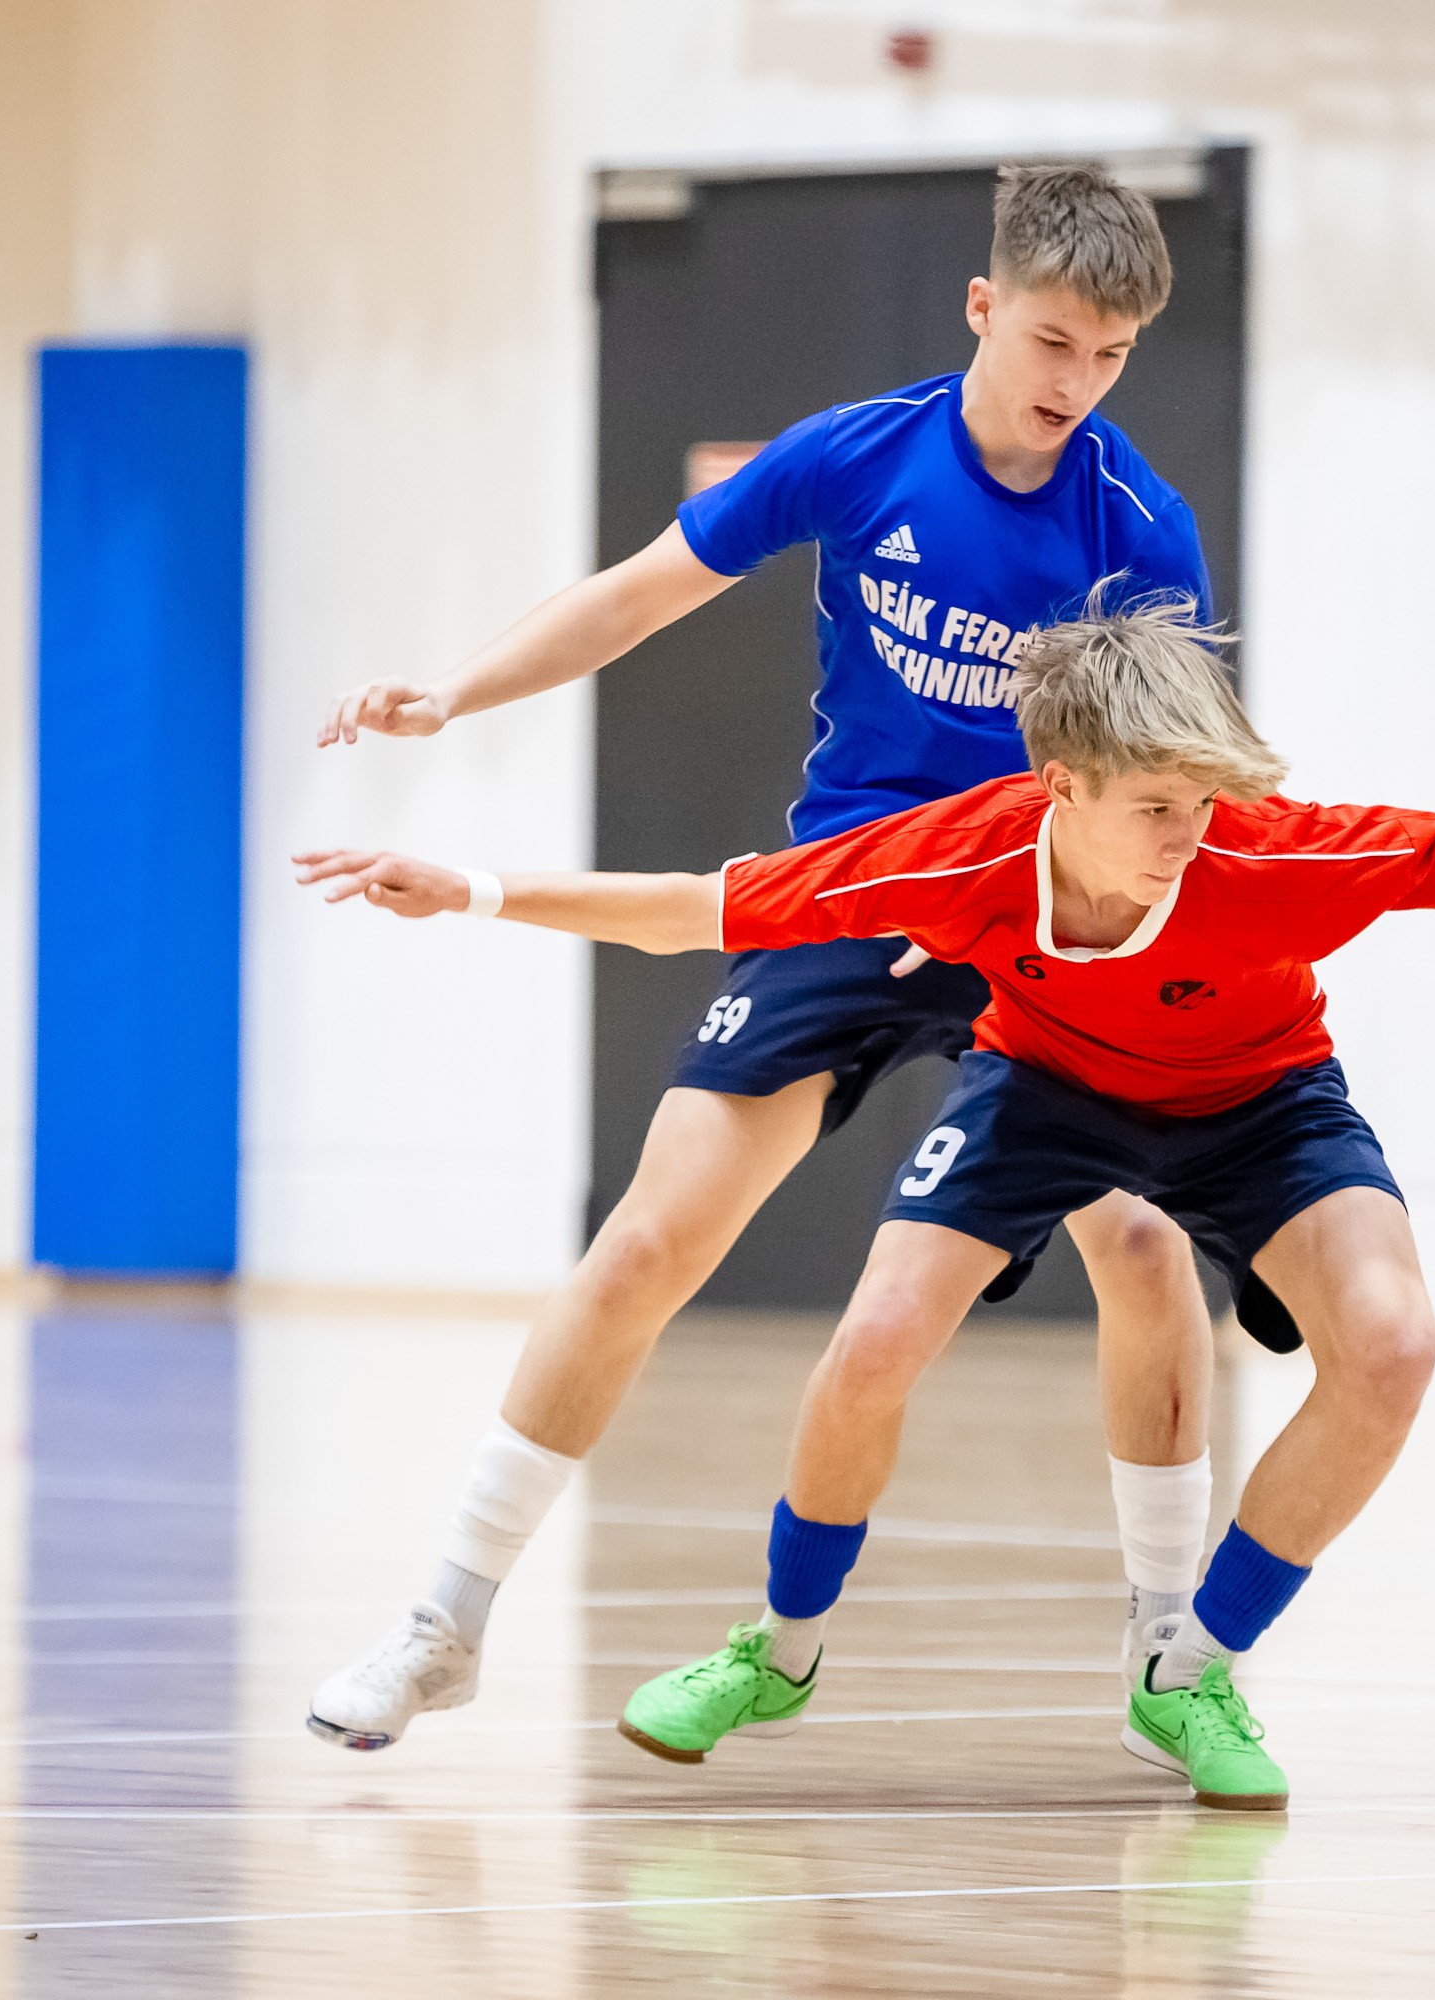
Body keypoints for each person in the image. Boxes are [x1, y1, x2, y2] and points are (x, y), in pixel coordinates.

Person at [296, 595, 1435, 1806]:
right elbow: (700, 910)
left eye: (1205, 799)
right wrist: (475, 891)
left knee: (1391, 1346)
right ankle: (778, 1653)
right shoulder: (964, 854)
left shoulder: (1264, 852)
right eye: (1158, 805)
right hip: (1047, 1092)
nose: (1192, 830)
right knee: (873, 1344)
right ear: (1061, 787)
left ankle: (1193, 1669)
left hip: (1262, 1101)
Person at [303, 164, 1235, 1756]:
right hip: (848, 890)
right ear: (984, 307)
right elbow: (636, 598)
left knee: (1145, 1247)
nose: (1076, 381)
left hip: (1031, 913)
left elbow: (1175, 782)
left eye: (1112, 355)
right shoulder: (861, 454)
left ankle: (1173, 1651)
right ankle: (445, 1624)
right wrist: (453, 693)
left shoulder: (1140, 531)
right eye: (1053, 341)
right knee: (648, 1243)